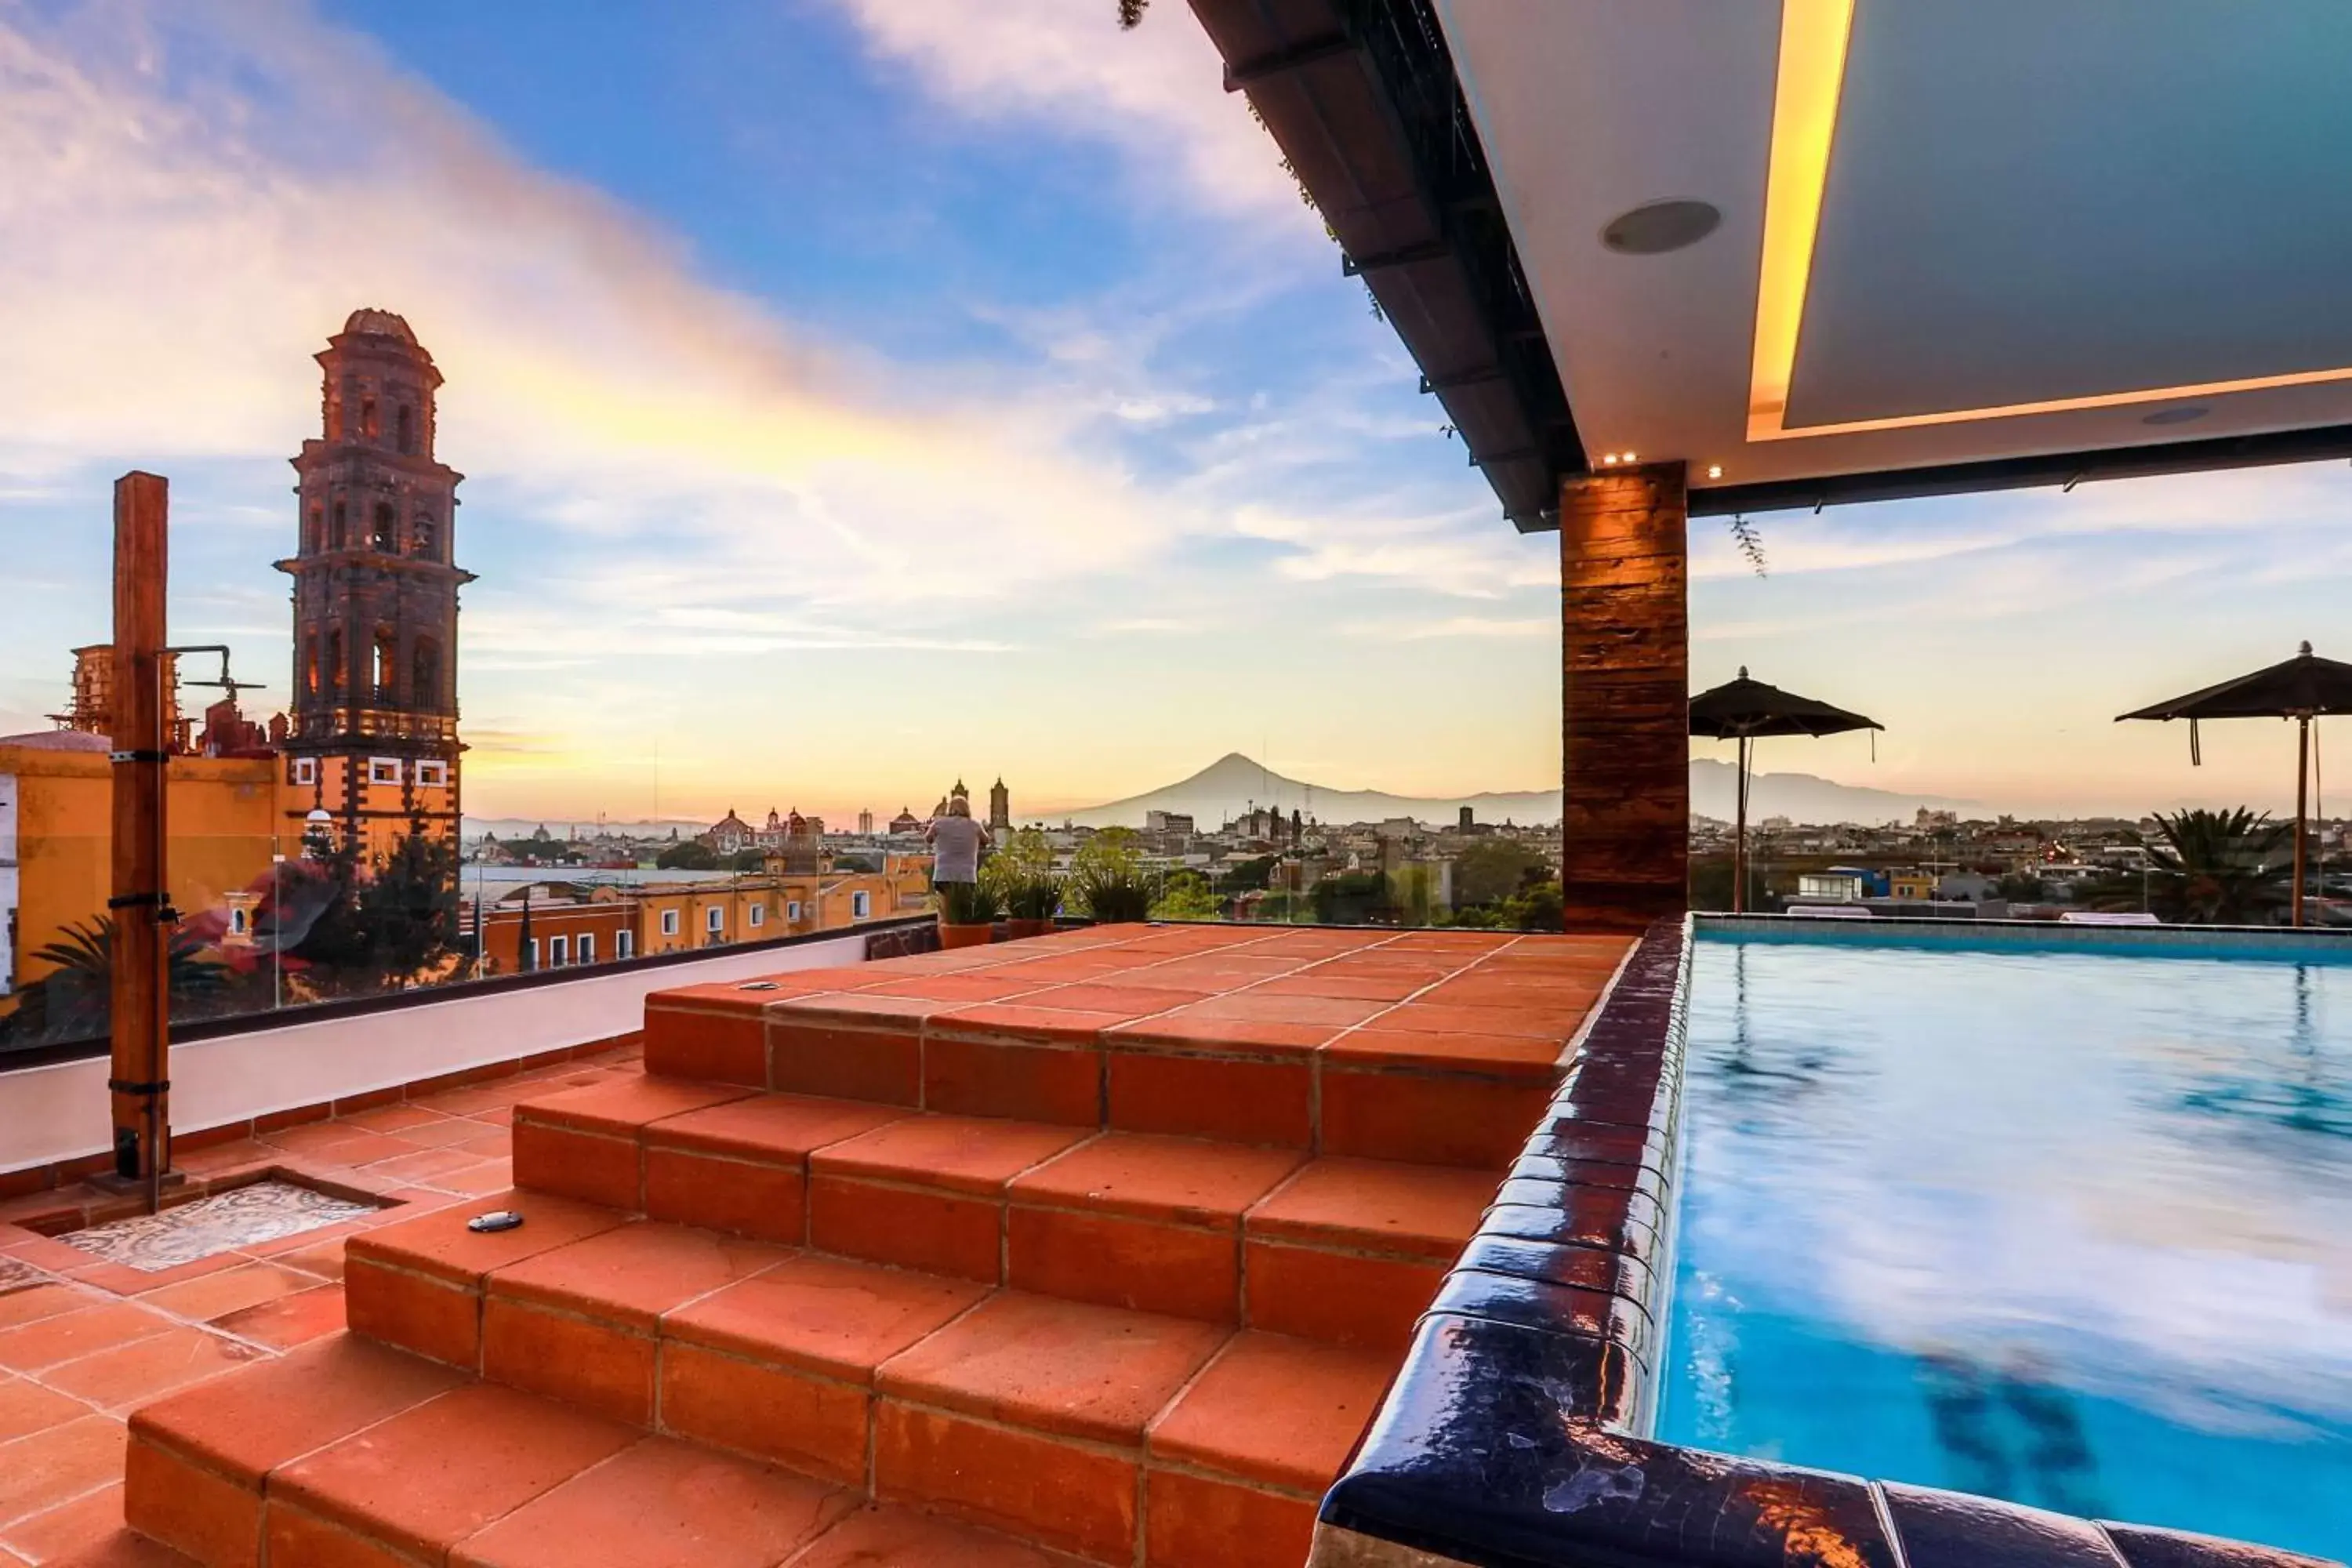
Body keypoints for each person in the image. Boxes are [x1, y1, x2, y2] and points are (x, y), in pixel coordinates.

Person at [925, 795, 987, 889]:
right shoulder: (975, 825)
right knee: (964, 903)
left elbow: (928, 838)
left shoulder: (939, 823)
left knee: (946, 903)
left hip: (943, 874)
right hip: (967, 875)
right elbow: (986, 840)